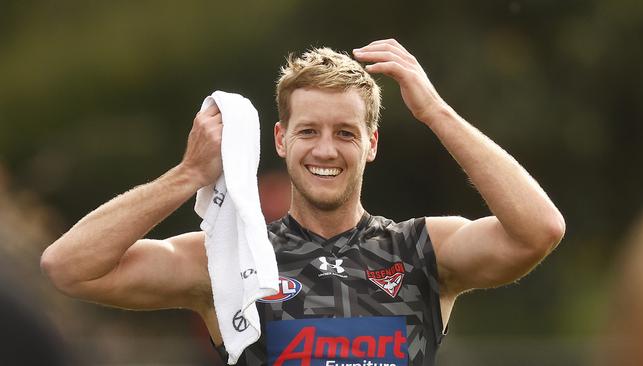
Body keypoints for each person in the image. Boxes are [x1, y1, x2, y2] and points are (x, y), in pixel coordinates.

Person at [41, 39, 565, 365]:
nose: (325, 149)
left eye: (345, 132)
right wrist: (189, 173)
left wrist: (435, 112)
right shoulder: (233, 256)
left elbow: (539, 229)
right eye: (308, 130)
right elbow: (68, 268)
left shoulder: (422, 248)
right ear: (281, 140)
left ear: (372, 143)